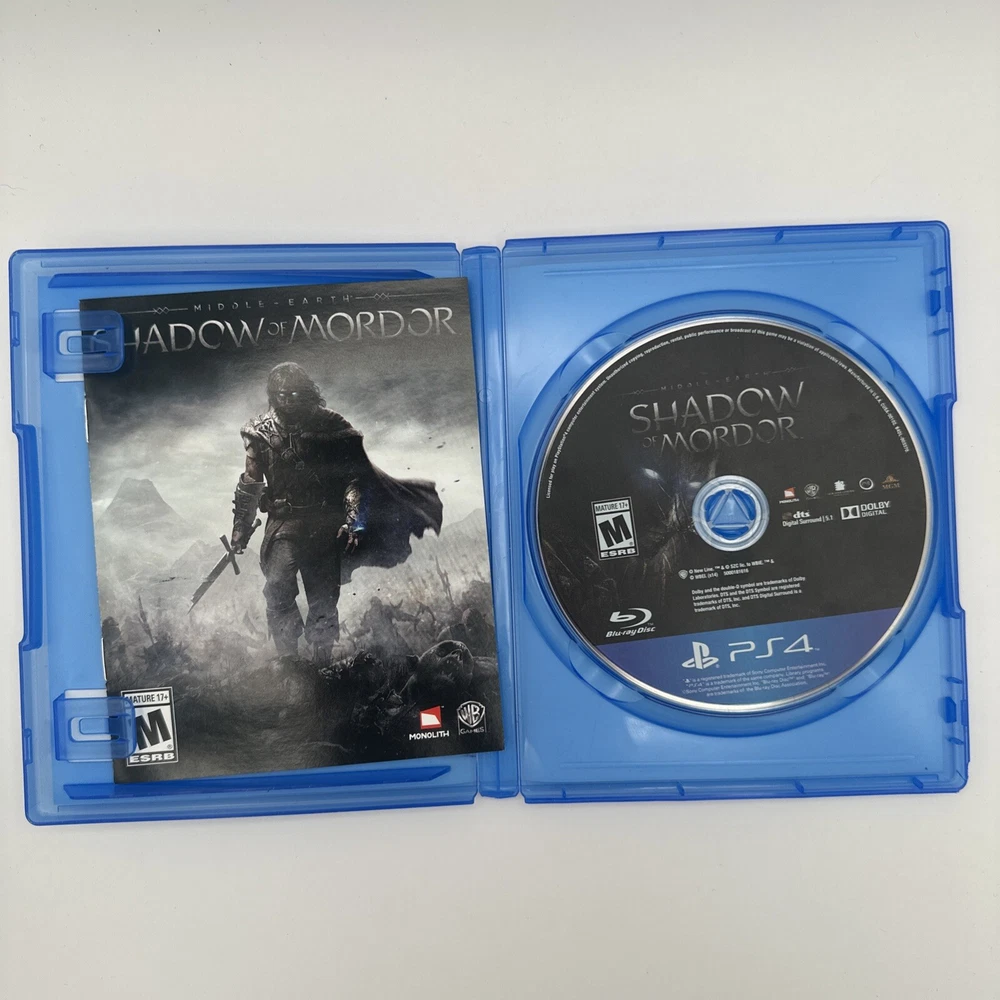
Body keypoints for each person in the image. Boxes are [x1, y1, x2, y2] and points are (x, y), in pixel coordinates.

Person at [230, 361, 442, 663]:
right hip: (283, 524)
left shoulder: (331, 426)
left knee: (323, 596)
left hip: (324, 524)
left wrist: (354, 521)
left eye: (293, 394)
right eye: (280, 395)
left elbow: (352, 479)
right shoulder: (259, 432)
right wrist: (240, 528)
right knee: (277, 585)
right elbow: (251, 483)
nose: (287, 400)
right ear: (272, 395)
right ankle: (288, 660)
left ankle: (323, 662)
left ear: (306, 392)